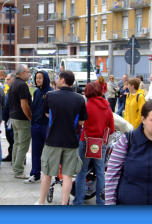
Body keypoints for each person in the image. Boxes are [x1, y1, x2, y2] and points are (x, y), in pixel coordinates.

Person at [35, 70, 87, 205]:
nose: (57, 80)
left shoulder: (50, 96)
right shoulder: (80, 99)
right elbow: (82, 121)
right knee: (68, 175)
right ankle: (64, 205)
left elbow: (47, 114)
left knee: (47, 173)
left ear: (63, 80)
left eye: (58, 78)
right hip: (71, 141)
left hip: (52, 140)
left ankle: (41, 202)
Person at [73, 82, 115, 205]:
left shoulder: (86, 106)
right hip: (100, 143)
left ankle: (79, 201)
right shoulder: (107, 107)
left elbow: (79, 124)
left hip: (86, 141)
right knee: (100, 172)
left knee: (81, 172)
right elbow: (111, 128)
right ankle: (101, 201)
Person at [25, 71, 53, 184]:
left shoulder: (51, 92)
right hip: (36, 125)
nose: (38, 80)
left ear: (45, 78)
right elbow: (34, 107)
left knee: (49, 152)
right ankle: (35, 173)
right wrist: (33, 122)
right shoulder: (36, 92)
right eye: (36, 78)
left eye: (40, 78)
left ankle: (49, 174)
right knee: (36, 151)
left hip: (46, 126)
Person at [8, 64, 32, 179]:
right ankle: (18, 170)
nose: (29, 74)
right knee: (23, 145)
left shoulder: (13, 84)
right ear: (22, 73)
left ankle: (16, 167)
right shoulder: (22, 85)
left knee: (17, 144)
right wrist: (30, 117)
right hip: (22, 119)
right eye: (28, 72)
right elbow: (24, 104)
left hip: (14, 117)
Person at [2, 73, 16, 162]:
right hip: (8, 118)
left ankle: (17, 158)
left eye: (8, 79)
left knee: (13, 138)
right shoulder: (9, 89)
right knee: (10, 138)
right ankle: (11, 155)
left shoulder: (14, 90)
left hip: (12, 118)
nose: (6, 81)